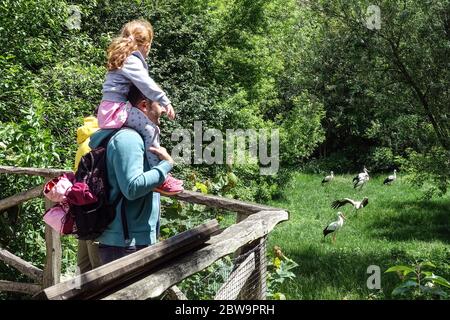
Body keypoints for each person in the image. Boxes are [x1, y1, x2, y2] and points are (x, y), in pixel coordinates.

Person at [89, 85, 175, 264]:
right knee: (126, 293)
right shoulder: (128, 139)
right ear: (144, 105)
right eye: (159, 103)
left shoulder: (132, 136)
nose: (163, 109)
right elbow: (132, 187)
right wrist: (165, 166)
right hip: (126, 243)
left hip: (130, 239)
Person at [97, 19, 182, 195]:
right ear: (147, 45)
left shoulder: (121, 57)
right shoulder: (132, 60)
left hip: (111, 108)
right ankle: (159, 175)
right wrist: (165, 100)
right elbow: (146, 84)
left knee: (146, 127)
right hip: (117, 110)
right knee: (150, 129)